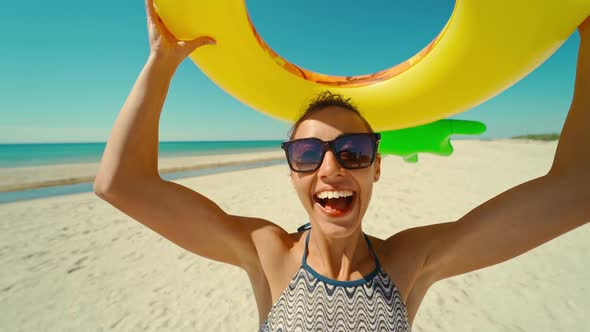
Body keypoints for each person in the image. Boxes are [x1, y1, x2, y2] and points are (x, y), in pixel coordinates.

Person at [94, 0, 590, 330]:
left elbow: (576, 191)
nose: (331, 168)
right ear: (292, 172)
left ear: (376, 167)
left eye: (352, 152)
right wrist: (161, 62)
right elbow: (120, 184)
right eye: (308, 155)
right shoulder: (269, 254)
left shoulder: (408, 263)